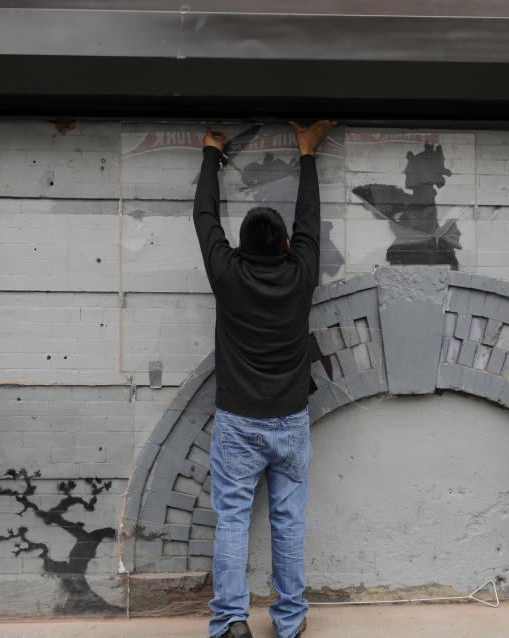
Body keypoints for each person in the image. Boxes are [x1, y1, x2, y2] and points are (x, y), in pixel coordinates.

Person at [194, 119, 337, 638]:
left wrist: (211, 152)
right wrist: (307, 153)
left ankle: (232, 622)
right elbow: (311, 222)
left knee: (231, 520)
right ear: (285, 246)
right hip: (291, 422)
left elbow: (202, 216)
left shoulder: (226, 275)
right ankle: (291, 623)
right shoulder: (301, 274)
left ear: (238, 244)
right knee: (288, 522)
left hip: (237, 424)